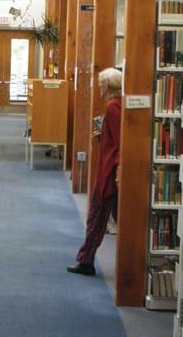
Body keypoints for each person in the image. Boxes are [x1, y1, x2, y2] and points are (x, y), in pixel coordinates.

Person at [67, 67, 122, 276]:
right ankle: (86, 259)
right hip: (110, 170)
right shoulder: (116, 106)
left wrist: (117, 171)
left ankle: (86, 260)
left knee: (96, 216)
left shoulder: (112, 108)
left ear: (108, 86)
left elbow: (120, 142)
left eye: (101, 84)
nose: (99, 88)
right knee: (103, 217)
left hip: (108, 173)